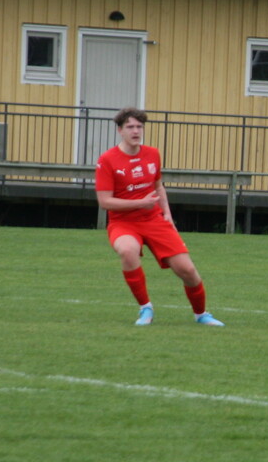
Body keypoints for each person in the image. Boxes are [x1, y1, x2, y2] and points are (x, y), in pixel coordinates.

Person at [94, 107, 224, 327]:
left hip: (154, 220)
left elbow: (158, 186)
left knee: (187, 270)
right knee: (127, 251)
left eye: (139, 126)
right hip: (123, 222)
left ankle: (201, 314)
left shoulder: (152, 153)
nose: (136, 131)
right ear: (120, 131)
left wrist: (168, 215)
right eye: (130, 127)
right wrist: (140, 203)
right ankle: (146, 308)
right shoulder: (107, 160)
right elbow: (105, 201)